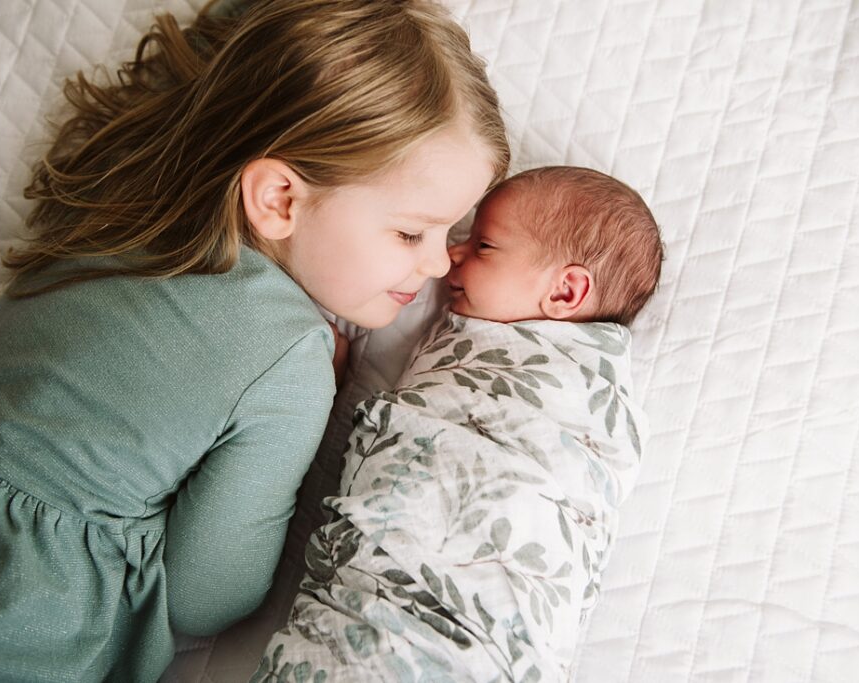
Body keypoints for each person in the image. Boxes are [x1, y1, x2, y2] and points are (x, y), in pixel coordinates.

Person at [0, 1, 509, 680]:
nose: (440, 264)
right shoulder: (288, 356)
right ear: (278, 198)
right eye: (410, 233)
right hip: (3, 619)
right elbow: (208, 594)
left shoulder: (120, 203)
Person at [253, 166, 662, 682]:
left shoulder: (582, 394)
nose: (451, 256)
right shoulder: (472, 338)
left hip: (482, 636)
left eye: (484, 245)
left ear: (564, 293)